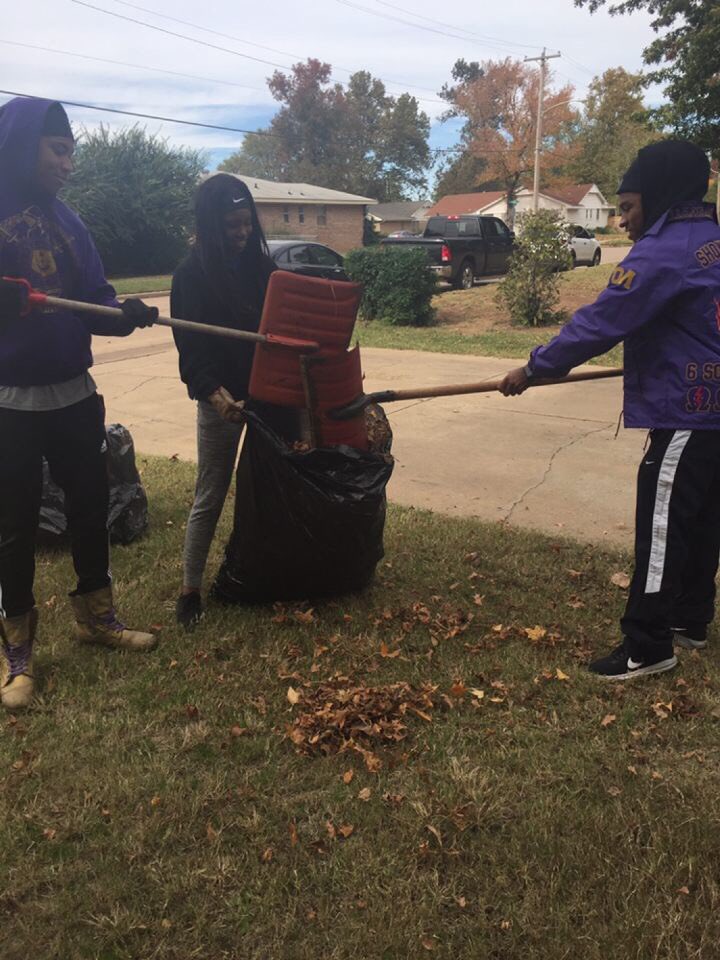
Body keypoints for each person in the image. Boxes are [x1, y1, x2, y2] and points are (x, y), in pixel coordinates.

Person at [499, 139, 720, 680]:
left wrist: (534, 369)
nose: (622, 220)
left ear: (660, 195)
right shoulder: (712, 240)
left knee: (664, 519)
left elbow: (601, 322)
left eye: (627, 207)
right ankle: (691, 619)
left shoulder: (664, 250)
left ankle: (648, 644)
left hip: (692, 412)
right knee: (704, 517)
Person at [0, 96, 160, 710]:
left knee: (89, 508)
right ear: (23, 146)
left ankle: (97, 617)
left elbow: (95, 299)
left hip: (74, 397)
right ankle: (17, 650)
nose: (68, 163)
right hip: (10, 403)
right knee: (13, 526)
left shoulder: (70, 222)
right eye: (58, 150)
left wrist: (127, 315)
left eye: (72, 152)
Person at [171, 173, 277, 628]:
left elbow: (283, 326)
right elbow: (191, 352)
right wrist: (216, 396)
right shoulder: (190, 276)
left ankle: (269, 571)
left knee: (274, 484)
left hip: (269, 393)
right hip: (222, 398)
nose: (242, 233)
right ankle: (190, 591)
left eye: (247, 223)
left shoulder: (262, 269)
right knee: (211, 492)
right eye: (233, 225)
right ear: (212, 225)